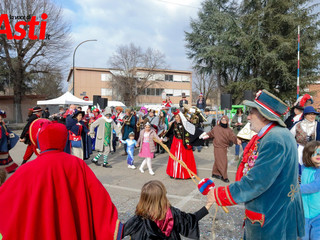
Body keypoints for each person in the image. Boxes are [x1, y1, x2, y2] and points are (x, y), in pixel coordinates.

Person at [0, 119, 123, 239]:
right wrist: (113, 225)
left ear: (39, 141)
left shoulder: (26, 169)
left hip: (41, 230)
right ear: (64, 140)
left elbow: (5, 199)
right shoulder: (78, 164)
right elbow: (98, 199)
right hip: (72, 228)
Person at [207, 89, 304, 239]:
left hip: (272, 218)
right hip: (278, 211)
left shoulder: (274, 139)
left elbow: (256, 182)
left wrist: (220, 195)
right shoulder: (278, 134)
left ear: (264, 116)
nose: (248, 116)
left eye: (252, 112)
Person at [123, 180, 214, 240]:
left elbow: (117, 232)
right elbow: (190, 220)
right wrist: (208, 204)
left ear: (143, 198)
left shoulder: (137, 220)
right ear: (162, 196)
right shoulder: (172, 213)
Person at [163, 109, 202, 179]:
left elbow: (194, 130)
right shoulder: (173, 124)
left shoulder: (185, 124)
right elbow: (170, 133)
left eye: (177, 117)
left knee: (185, 158)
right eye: (175, 117)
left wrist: (202, 134)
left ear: (180, 117)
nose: (176, 118)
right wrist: (164, 138)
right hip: (175, 142)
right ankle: (174, 173)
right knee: (175, 158)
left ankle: (187, 174)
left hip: (183, 142)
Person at [200, 115, 240, 183]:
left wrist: (237, 140)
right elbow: (210, 133)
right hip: (217, 147)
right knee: (223, 162)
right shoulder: (216, 128)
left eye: (225, 120)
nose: (223, 121)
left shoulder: (229, 130)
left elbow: (233, 137)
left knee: (218, 160)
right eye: (222, 120)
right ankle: (224, 176)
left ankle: (215, 173)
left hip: (224, 147)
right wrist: (204, 135)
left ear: (227, 121)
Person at [300, 141, 320, 240]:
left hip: (318, 212)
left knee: (316, 236)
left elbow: (316, 186)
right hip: (304, 212)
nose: (318, 155)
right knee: (303, 236)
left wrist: (297, 189)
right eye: (314, 153)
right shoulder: (304, 168)